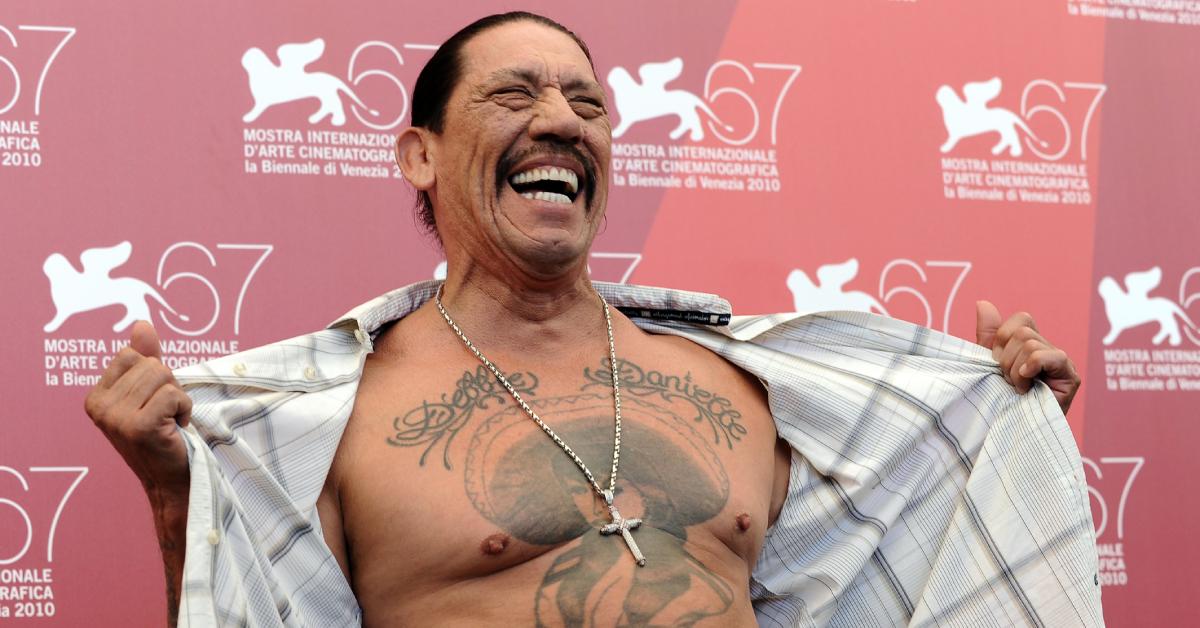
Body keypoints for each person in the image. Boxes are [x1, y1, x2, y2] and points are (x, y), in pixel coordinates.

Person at [84, 12, 1099, 627]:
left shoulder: (743, 387)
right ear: (419, 154)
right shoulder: (327, 417)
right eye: (515, 93)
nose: (562, 120)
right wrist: (177, 499)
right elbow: (243, 611)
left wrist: (1009, 424)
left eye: (589, 103)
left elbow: (939, 539)